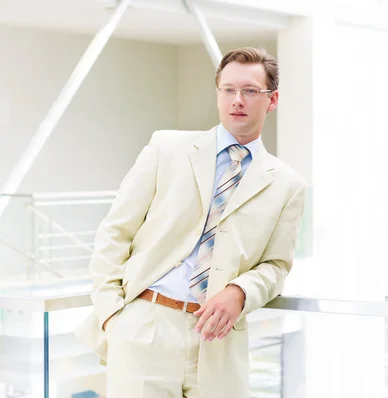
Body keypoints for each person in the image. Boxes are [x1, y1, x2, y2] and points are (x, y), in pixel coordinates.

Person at [75, 47, 306, 398]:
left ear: (271, 100)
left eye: (249, 91)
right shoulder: (166, 148)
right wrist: (112, 316)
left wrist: (241, 292)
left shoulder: (287, 184)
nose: (237, 100)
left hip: (218, 340)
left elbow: (276, 266)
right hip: (146, 330)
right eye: (228, 89)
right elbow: (115, 231)